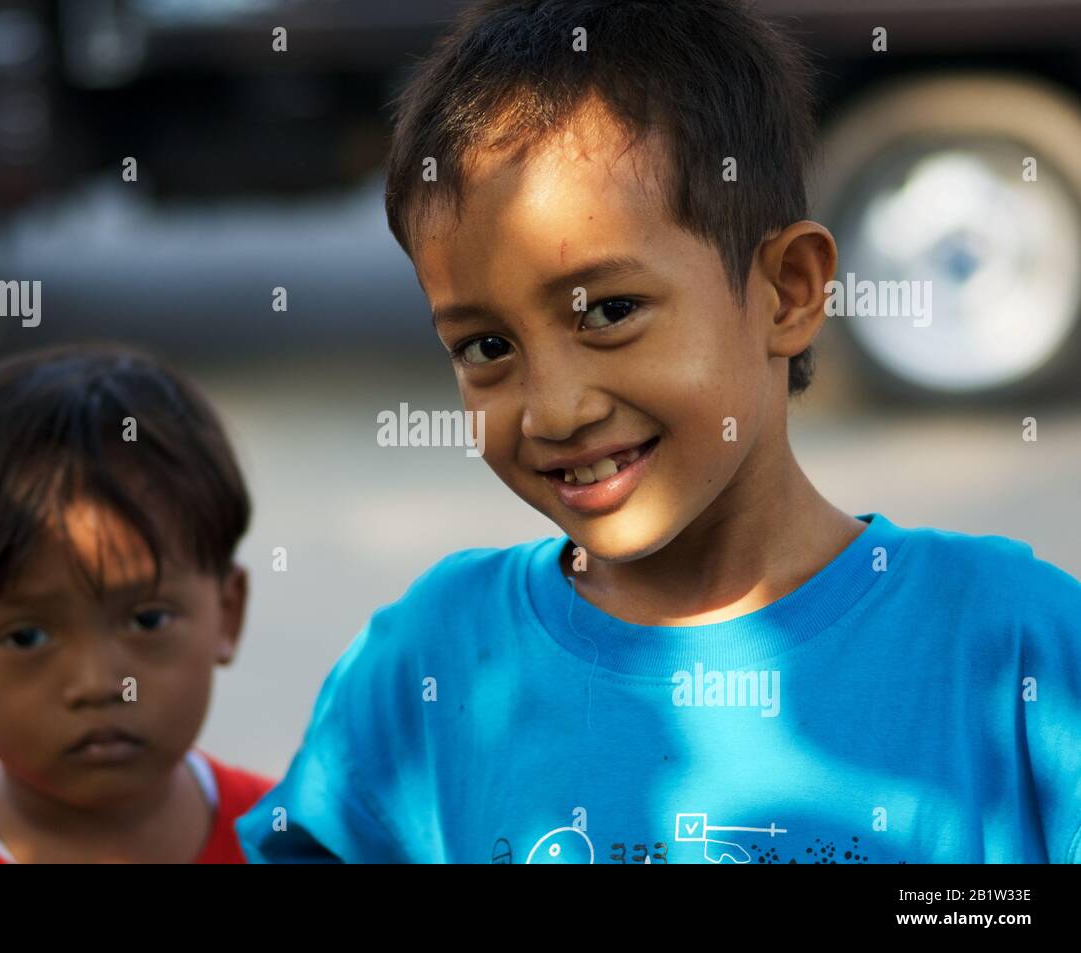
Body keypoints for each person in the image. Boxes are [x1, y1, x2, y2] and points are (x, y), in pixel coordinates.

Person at [236, 0, 1081, 863]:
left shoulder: (1016, 649)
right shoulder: (429, 659)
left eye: (610, 311)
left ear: (789, 291)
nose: (555, 411)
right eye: (487, 346)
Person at [0, 344, 273, 863]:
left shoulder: (300, 845)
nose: (98, 684)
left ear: (227, 611)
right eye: (26, 636)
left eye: (148, 620)